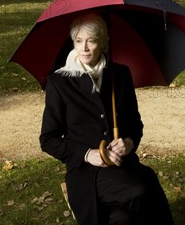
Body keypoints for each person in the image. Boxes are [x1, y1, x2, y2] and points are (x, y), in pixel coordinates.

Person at [40, 13, 175, 225]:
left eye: (91, 40)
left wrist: (128, 142)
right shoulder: (59, 82)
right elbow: (48, 139)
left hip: (123, 164)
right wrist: (88, 154)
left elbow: (134, 124)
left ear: (102, 43)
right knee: (139, 191)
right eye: (78, 40)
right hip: (87, 173)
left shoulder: (120, 75)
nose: (84, 48)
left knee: (122, 217)